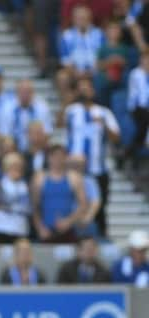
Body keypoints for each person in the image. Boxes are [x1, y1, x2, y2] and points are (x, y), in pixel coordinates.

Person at [64, 77, 120, 237]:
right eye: (81, 88)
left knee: (100, 207)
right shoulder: (71, 111)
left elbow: (116, 137)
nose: (84, 91)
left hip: (97, 168)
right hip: (75, 169)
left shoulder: (104, 112)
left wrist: (103, 123)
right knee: (73, 204)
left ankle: (101, 236)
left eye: (87, 87)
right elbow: (60, 124)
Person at [31, 144, 86, 243]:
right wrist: (40, 227)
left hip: (68, 229)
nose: (58, 160)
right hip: (46, 230)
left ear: (65, 158)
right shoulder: (40, 178)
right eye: (55, 156)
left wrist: (69, 221)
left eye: (61, 157)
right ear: (49, 158)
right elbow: (35, 206)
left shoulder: (74, 178)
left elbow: (83, 204)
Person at [0, 152, 31, 244]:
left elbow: (28, 207)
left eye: (19, 166)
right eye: (13, 166)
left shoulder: (25, 186)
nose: (16, 169)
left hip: (19, 228)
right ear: (6, 167)